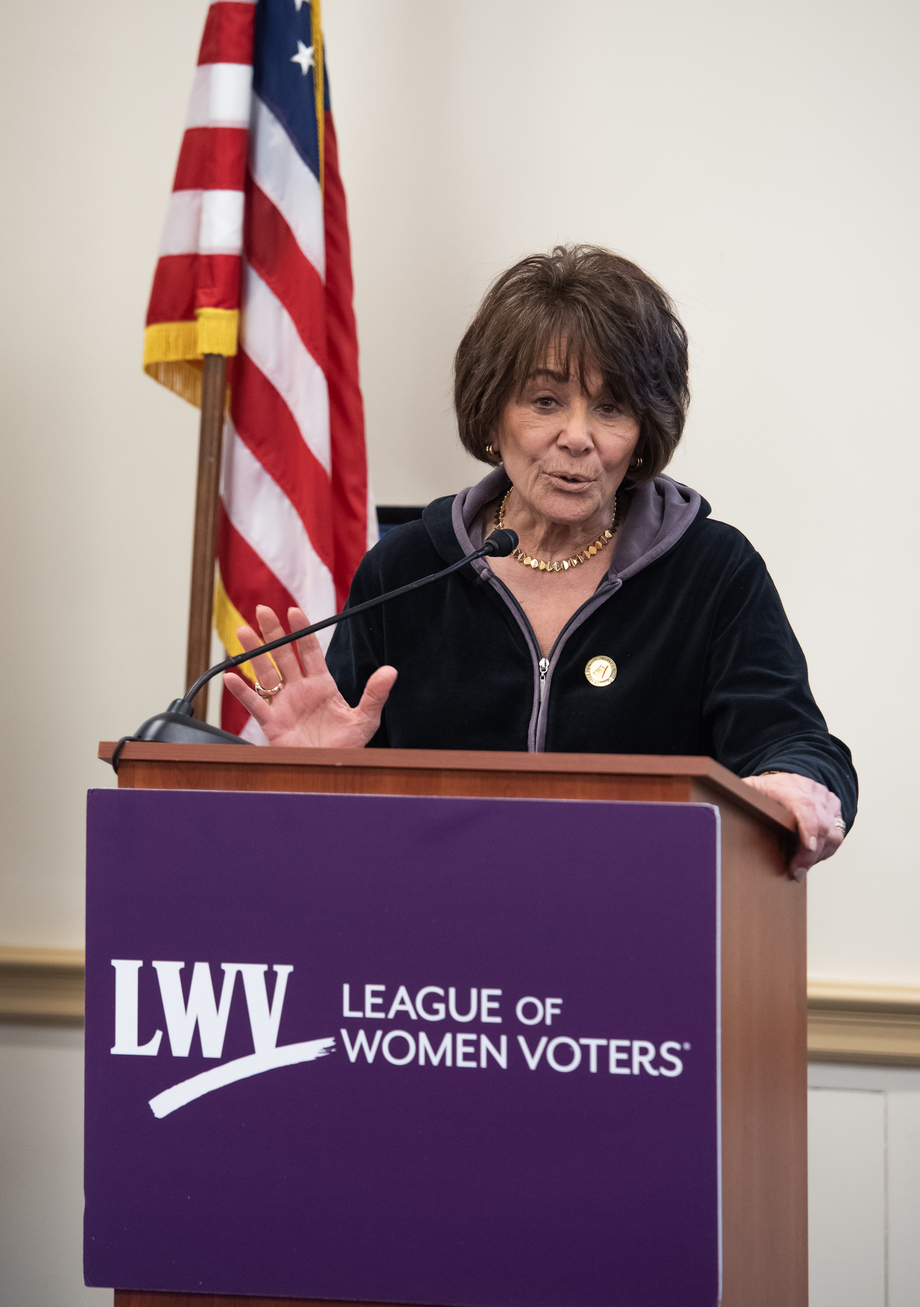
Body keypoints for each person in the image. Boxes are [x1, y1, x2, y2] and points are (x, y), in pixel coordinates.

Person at [224, 245, 857, 880]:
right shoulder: (408, 570)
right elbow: (345, 821)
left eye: (611, 408)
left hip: (641, 924)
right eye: (546, 401)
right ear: (493, 411)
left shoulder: (712, 569)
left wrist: (795, 782)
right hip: (434, 934)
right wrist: (317, 776)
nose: (578, 436)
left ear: (643, 432)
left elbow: (793, 741)